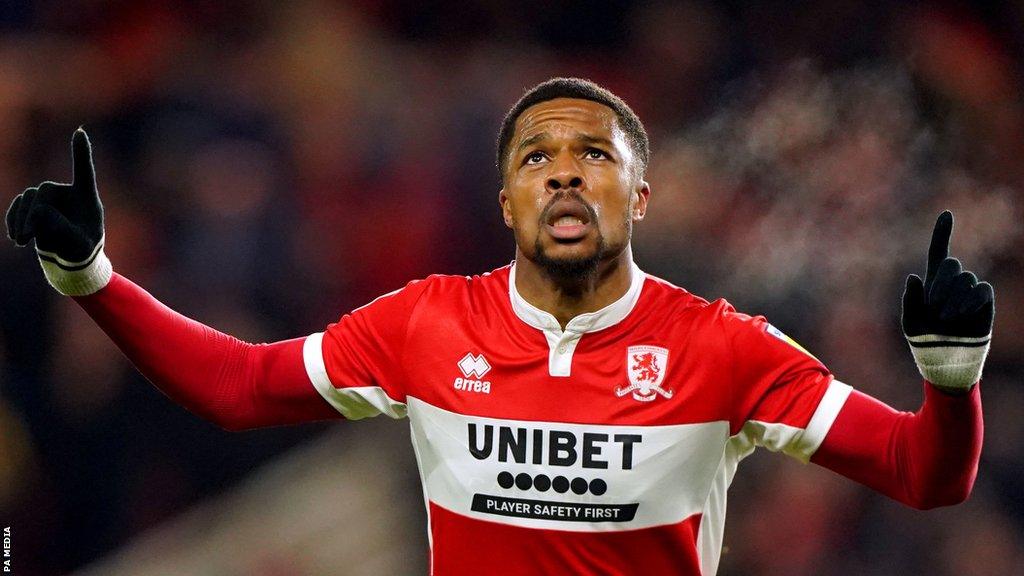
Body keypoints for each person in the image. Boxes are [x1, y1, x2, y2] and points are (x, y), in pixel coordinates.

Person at [6, 78, 994, 576]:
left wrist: (950, 382)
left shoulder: (727, 343)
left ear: (640, 195)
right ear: (505, 200)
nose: (564, 171)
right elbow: (235, 385)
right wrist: (91, 275)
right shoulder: (426, 319)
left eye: (593, 156)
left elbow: (924, 475)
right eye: (536, 157)